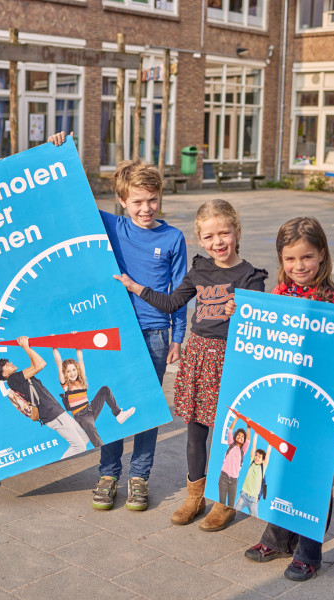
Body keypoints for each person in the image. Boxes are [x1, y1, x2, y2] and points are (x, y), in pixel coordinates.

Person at [48, 132, 188, 512]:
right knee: (113, 405)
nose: (146, 208)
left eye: (153, 200)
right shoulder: (112, 227)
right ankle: (108, 473)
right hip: (116, 333)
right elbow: (68, 197)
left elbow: (179, 292)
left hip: (157, 334)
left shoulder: (174, 238)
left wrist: (178, 335)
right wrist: (59, 151)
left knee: (144, 408)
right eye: (138, 201)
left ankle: (139, 477)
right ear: (123, 202)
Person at [115, 199, 268, 531]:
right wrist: (135, 286)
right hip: (199, 357)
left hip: (232, 360)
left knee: (231, 437)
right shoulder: (200, 269)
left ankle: (224, 502)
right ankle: (194, 496)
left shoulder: (250, 276)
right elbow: (171, 302)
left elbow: (261, 321)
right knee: (195, 434)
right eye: (210, 236)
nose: (218, 242)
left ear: (237, 232)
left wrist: (242, 313)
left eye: (224, 233)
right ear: (201, 240)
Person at [228, 216, 334, 582]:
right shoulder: (278, 298)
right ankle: (276, 537)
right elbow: (259, 345)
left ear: (322, 254)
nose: (298, 266)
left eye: (306, 257)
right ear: (280, 260)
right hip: (280, 403)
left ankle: (309, 551)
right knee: (275, 466)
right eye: (290, 259)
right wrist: (241, 317)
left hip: (317, 410)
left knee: (313, 475)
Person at [0, 336, 90, 459]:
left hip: (57, 411)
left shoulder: (19, 378)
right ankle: (58, 467)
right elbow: (41, 364)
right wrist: (26, 347)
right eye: (6, 365)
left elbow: (36, 364)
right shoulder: (13, 379)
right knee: (79, 446)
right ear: (5, 374)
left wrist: (29, 347)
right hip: (52, 414)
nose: (10, 363)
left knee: (84, 439)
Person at [52, 346, 135, 447]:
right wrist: (54, 347)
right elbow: (58, 363)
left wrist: (77, 342)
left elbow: (81, 360)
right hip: (81, 417)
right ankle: (100, 447)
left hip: (90, 409)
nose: (72, 373)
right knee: (89, 426)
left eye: (74, 370)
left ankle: (118, 414)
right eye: (68, 371)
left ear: (77, 370)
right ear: (65, 373)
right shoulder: (66, 386)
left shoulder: (81, 381)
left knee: (105, 389)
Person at [233, 434, 271, 518]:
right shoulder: (252, 462)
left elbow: (268, 453)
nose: (257, 457)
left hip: (253, 500)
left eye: (259, 457)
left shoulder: (263, 467)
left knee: (255, 520)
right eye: (256, 455)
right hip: (243, 496)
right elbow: (254, 445)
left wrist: (271, 441)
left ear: (263, 460)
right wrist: (256, 434)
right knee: (232, 513)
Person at [218, 417, 250, 508]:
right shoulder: (231, 444)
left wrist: (248, 428)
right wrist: (236, 418)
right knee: (221, 503)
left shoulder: (243, 451)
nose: (240, 437)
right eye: (239, 435)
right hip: (223, 478)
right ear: (235, 436)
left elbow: (248, 441)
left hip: (234, 481)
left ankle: (228, 517)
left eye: (242, 436)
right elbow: (229, 431)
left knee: (231, 505)